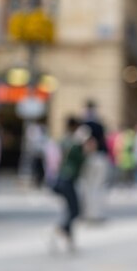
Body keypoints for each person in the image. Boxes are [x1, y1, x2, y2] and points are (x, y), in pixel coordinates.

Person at [51, 117, 93, 253]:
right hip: (68, 180)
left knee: (70, 210)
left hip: (61, 179)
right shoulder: (76, 143)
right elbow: (81, 160)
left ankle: (69, 240)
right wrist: (86, 149)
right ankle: (61, 229)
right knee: (75, 211)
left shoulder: (64, 141)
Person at [80, 99, 110, 222]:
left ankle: (90, 213)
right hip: (100, 158)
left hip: (91, 158)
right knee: (97, 187)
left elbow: (86, 142)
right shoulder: (99, 124)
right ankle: (94, 213)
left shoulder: (84, 124)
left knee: (89, 187)